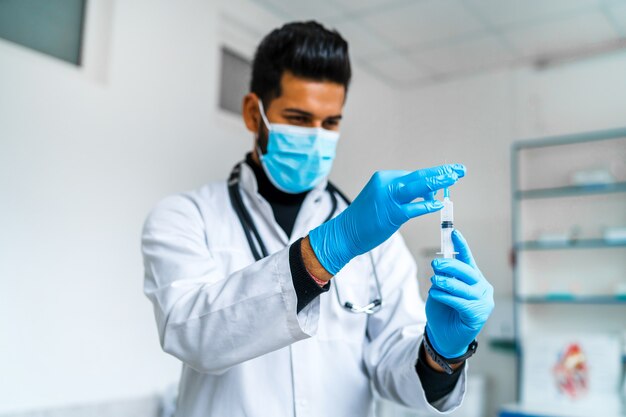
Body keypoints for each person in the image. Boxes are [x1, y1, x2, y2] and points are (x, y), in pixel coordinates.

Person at [142, 21, 494, 417]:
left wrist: (441, 352)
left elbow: (394, 367)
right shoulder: (186, 218)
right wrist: (330, 249)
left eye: (330, 124)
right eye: (297, 118)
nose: (316, 136)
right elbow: (191, 336)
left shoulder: (377, 240)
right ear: (252, 115)